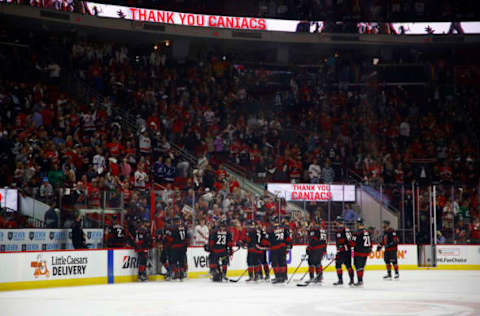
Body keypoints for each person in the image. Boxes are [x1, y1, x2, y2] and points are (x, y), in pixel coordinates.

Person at [263, 216, 291, 283]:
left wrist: (266, 244)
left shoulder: (270, 229)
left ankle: (278, 277)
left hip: (275, 248)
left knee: (275, 263)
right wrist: (288, 245)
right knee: (282, 263)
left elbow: (267, 240)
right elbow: (287, 238)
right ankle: (283, 277)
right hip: (282, 247)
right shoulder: (284, 227)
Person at [165, 216, 189, 281]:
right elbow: (187, 238)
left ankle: (176, 273)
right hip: (182, 247)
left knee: (174, 261)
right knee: (181, 261)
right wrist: (185, 246)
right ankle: (181, 274)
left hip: (175, 247)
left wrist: (168, 245)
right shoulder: (184, 227)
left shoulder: (172, 228)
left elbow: (170, 239)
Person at [333, 216, 354, 286]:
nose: (335, 223)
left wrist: (342, 247)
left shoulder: (341, 230)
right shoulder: (345, 229)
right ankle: (351, 280)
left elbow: (347, 241)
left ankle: (340, 280)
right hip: (346, 250)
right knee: (348, 265)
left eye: (336, 221)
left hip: (344, 251)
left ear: (338, 222)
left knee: (338, 264)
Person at [306, 216, 327, 283]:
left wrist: (309, 247)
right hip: (321, 249)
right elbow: (325, 241)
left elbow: (312, 240)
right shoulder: (323, 230)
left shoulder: (314, 229)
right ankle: (319, 276)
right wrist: (324, 250)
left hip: (315, 249)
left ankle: (312, 277)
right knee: (318, 263)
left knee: (311, 262)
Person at [352, 218, 372, 286]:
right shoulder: (367, 232)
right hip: (366, 252)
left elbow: (352, 243)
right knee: (362, 267)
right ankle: (360, 280)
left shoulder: (357, 233)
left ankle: (360, 281)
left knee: (358, 266)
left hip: (359, 252)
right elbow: (370, 242)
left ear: (358, 224)